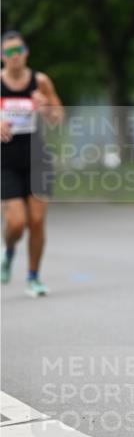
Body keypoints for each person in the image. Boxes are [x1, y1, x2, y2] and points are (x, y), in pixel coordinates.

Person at [1, 30, 63, 297]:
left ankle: (33, 277)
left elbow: (57, 118)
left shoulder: (40, 81)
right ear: (3, 57)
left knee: (36, 221)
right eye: (9, 52)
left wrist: (46, 105)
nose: (15, 57)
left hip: (37, 157)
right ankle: (9, 249)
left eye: (19, 51)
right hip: (5, 160)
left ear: (26, 52)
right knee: (16, 223)